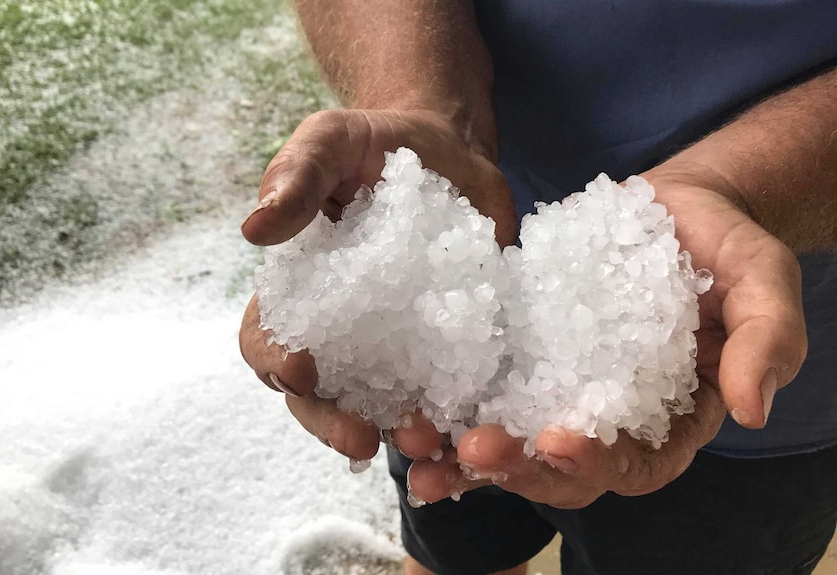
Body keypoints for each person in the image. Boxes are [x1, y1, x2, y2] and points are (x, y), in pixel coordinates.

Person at [239, 2, 837, 574]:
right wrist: (420, 105)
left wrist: (738, 186)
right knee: (454, 546)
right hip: (443, 305)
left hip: (757, 360)